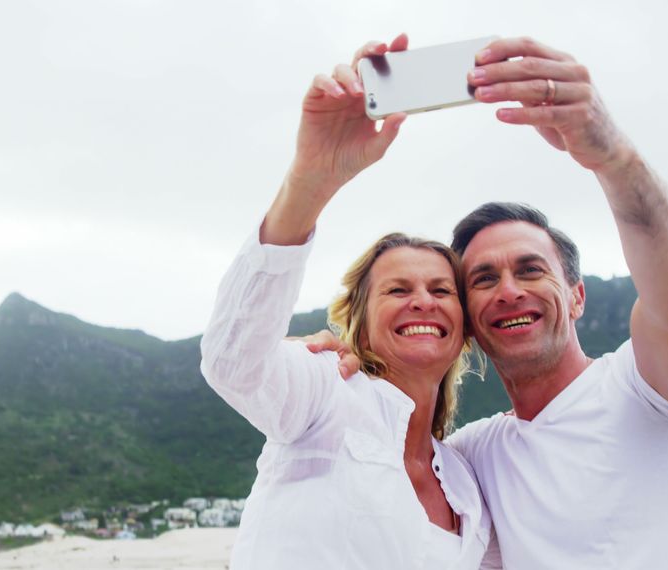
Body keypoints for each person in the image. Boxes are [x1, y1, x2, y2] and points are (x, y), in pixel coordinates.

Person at [309, 36, 668, 568]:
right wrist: (334, 363)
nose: (510, 290)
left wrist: (611, 155)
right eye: (484, 279)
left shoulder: (650, 389)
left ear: (577, 296)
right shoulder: (473, 461)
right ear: (468, 320)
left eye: (531, 269)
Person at [199, 35, 491, 569]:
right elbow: (232, 362)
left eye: (441, 290)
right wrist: (312, 180)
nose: (422, 302)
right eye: (397, 290)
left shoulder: (469, 485)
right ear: (359, 318)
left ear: (465, 326)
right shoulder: (324, 392)